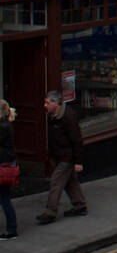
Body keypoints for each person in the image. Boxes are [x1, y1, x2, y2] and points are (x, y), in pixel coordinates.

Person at [36, 91, 87, 224]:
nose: (45, 105)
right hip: (59, 155)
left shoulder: (68, 117)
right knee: (70, 181)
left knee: (56, 182)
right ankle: (80, 205)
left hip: (67, 157)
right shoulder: (52, 116)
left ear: (55, 103)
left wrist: (78, 161)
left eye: (47, 102)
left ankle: (50, 212)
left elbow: (77, 140)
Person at [0, 100, 18, 240]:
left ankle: (12, 230)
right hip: (5, 164)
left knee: (5, 199)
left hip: (3, 167)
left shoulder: (3, 126)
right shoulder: (5, 124)